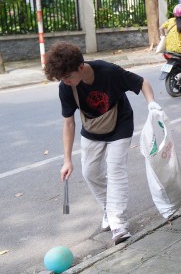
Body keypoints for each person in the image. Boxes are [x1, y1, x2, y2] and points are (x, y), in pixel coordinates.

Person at [44, 41, 161, 245]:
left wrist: (152, 104)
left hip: (120, 123)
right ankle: (109, 208)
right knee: (90, 173)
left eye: (68, 76)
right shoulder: (66, 87)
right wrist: (67, 160)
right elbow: (69, 123)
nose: (65, 81)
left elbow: (141, 82)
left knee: (115, 170)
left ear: (81, 68)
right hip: (92, 128)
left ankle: (118, 224)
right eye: (62, 78)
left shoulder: (108, 71)